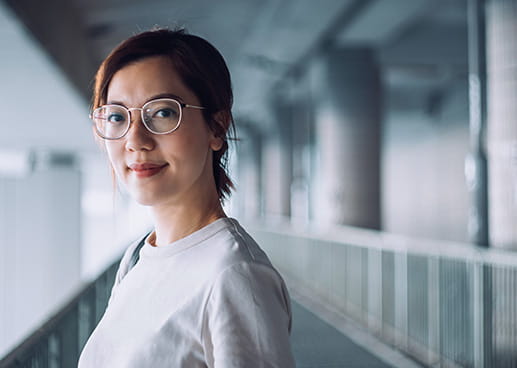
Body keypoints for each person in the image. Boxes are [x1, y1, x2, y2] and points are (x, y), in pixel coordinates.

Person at [78, 28, 295, 367]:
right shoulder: (137, 258)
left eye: (162, 112)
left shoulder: (234, 275)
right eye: (118, 116)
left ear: (216, 128)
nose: (136, 140)